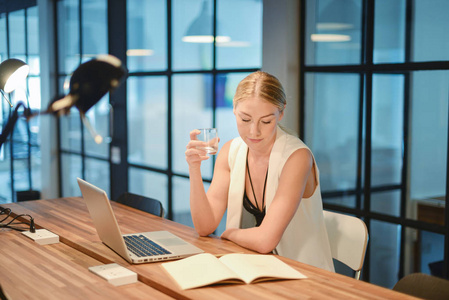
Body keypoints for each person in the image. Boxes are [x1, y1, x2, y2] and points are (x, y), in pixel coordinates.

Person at [185, 71, 334, 272]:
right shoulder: (231, 151)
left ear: (281, 114)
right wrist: (194, 168)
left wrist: (230, 233)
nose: (254, 132)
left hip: (304, 273)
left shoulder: (297, 157)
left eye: (266, 121)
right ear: (234, 110)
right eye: (245, 120)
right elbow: (205, 226)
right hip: (255, 268)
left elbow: (265, 241)